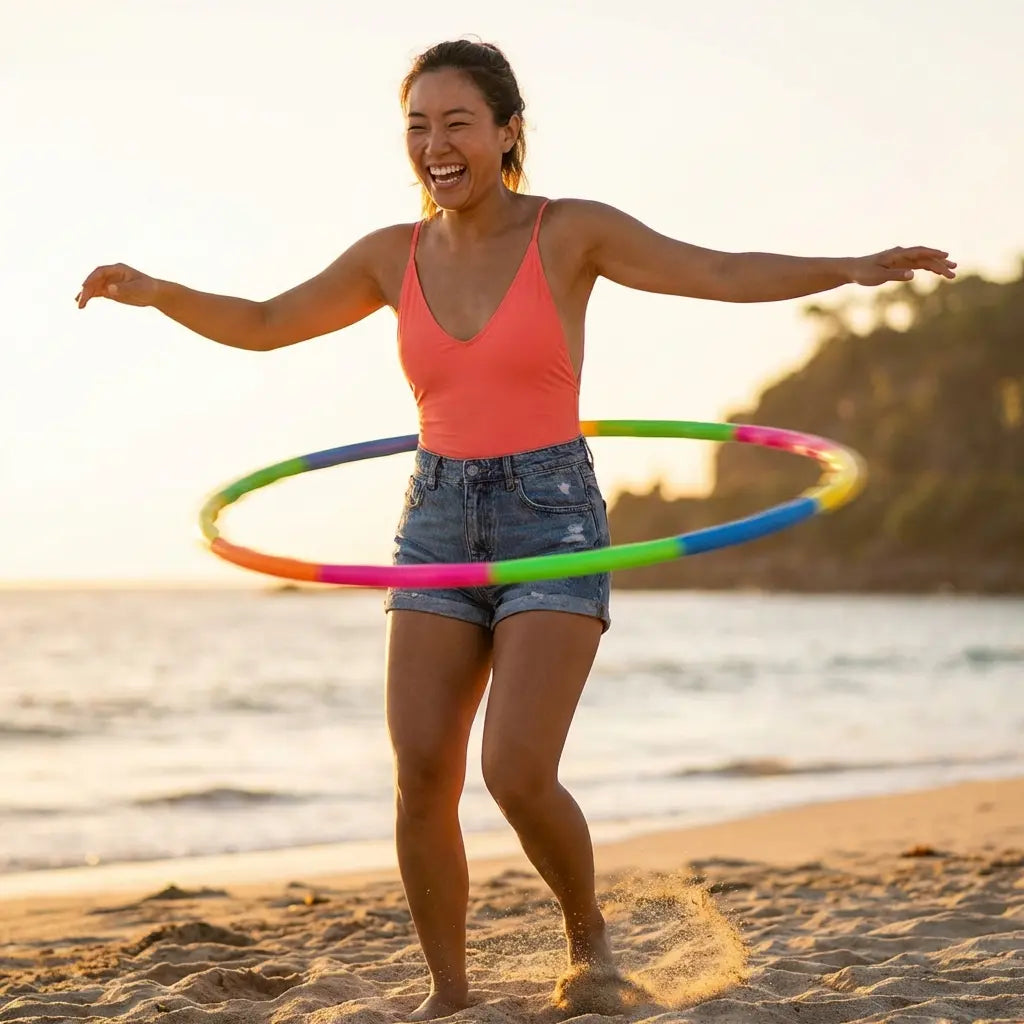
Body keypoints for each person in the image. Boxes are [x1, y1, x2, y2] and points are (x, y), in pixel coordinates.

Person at [77, 38, 956, 1020]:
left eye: (457, 123)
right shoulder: (388, 256)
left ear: (505, 133)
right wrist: (157, 294)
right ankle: (448, 992)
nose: (435, 144)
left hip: (554, 515)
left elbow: (711, 269)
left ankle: (590, 939)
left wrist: (850, 267)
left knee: (514, 770)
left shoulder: (569, 232)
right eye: (418, 125)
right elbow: (269, 319)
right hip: (436, 519)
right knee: (420, 771)